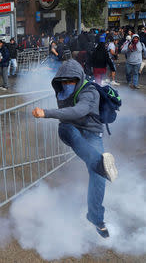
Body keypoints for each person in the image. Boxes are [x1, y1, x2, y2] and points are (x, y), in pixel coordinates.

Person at [32, 59, 118, 238]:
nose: (67, 85)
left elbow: (79, 111)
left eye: (71, 81)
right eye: (64, 81)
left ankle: (95, 218)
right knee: (67, 130)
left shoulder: (90, 91)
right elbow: (68, 117)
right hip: (70, 129)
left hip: (92, 133)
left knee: (98, 177)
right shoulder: (62, 91)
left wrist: (46, 113)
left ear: (78, 79)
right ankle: (99, 164)